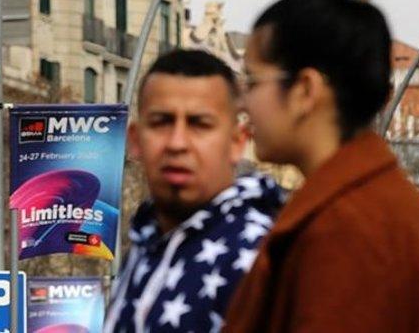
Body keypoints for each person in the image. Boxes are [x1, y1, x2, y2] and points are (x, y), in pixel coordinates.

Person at [224, 0, 419, 332]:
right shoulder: (366, 206)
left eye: (253, 81)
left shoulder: (346, 232)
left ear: (305, 90)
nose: (242, 102)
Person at [104, 49, 284, 333]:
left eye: (199, 124)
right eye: (161, 122)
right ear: (135, 140)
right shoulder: (145, 247)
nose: (177, 143)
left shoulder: (264, 258)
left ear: (238, 142)